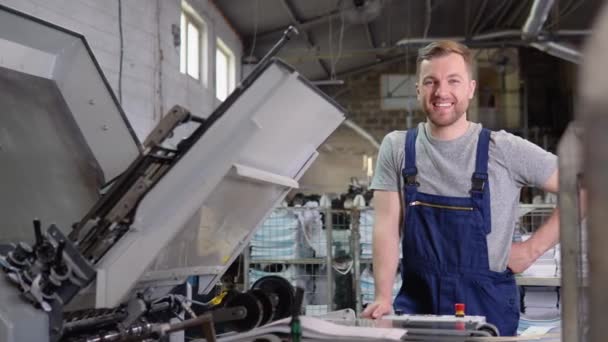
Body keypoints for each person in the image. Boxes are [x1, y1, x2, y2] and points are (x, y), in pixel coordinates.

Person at [360, 40, 559, 336]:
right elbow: (386, 228)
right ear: (418, 89)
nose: (441, 92)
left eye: (453, 81)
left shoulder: (502, 149)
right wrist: (383, 296)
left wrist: (532, 249)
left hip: (486, 305)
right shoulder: (398, 148)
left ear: (471, 88)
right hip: (419, 303)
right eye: (431, 82)